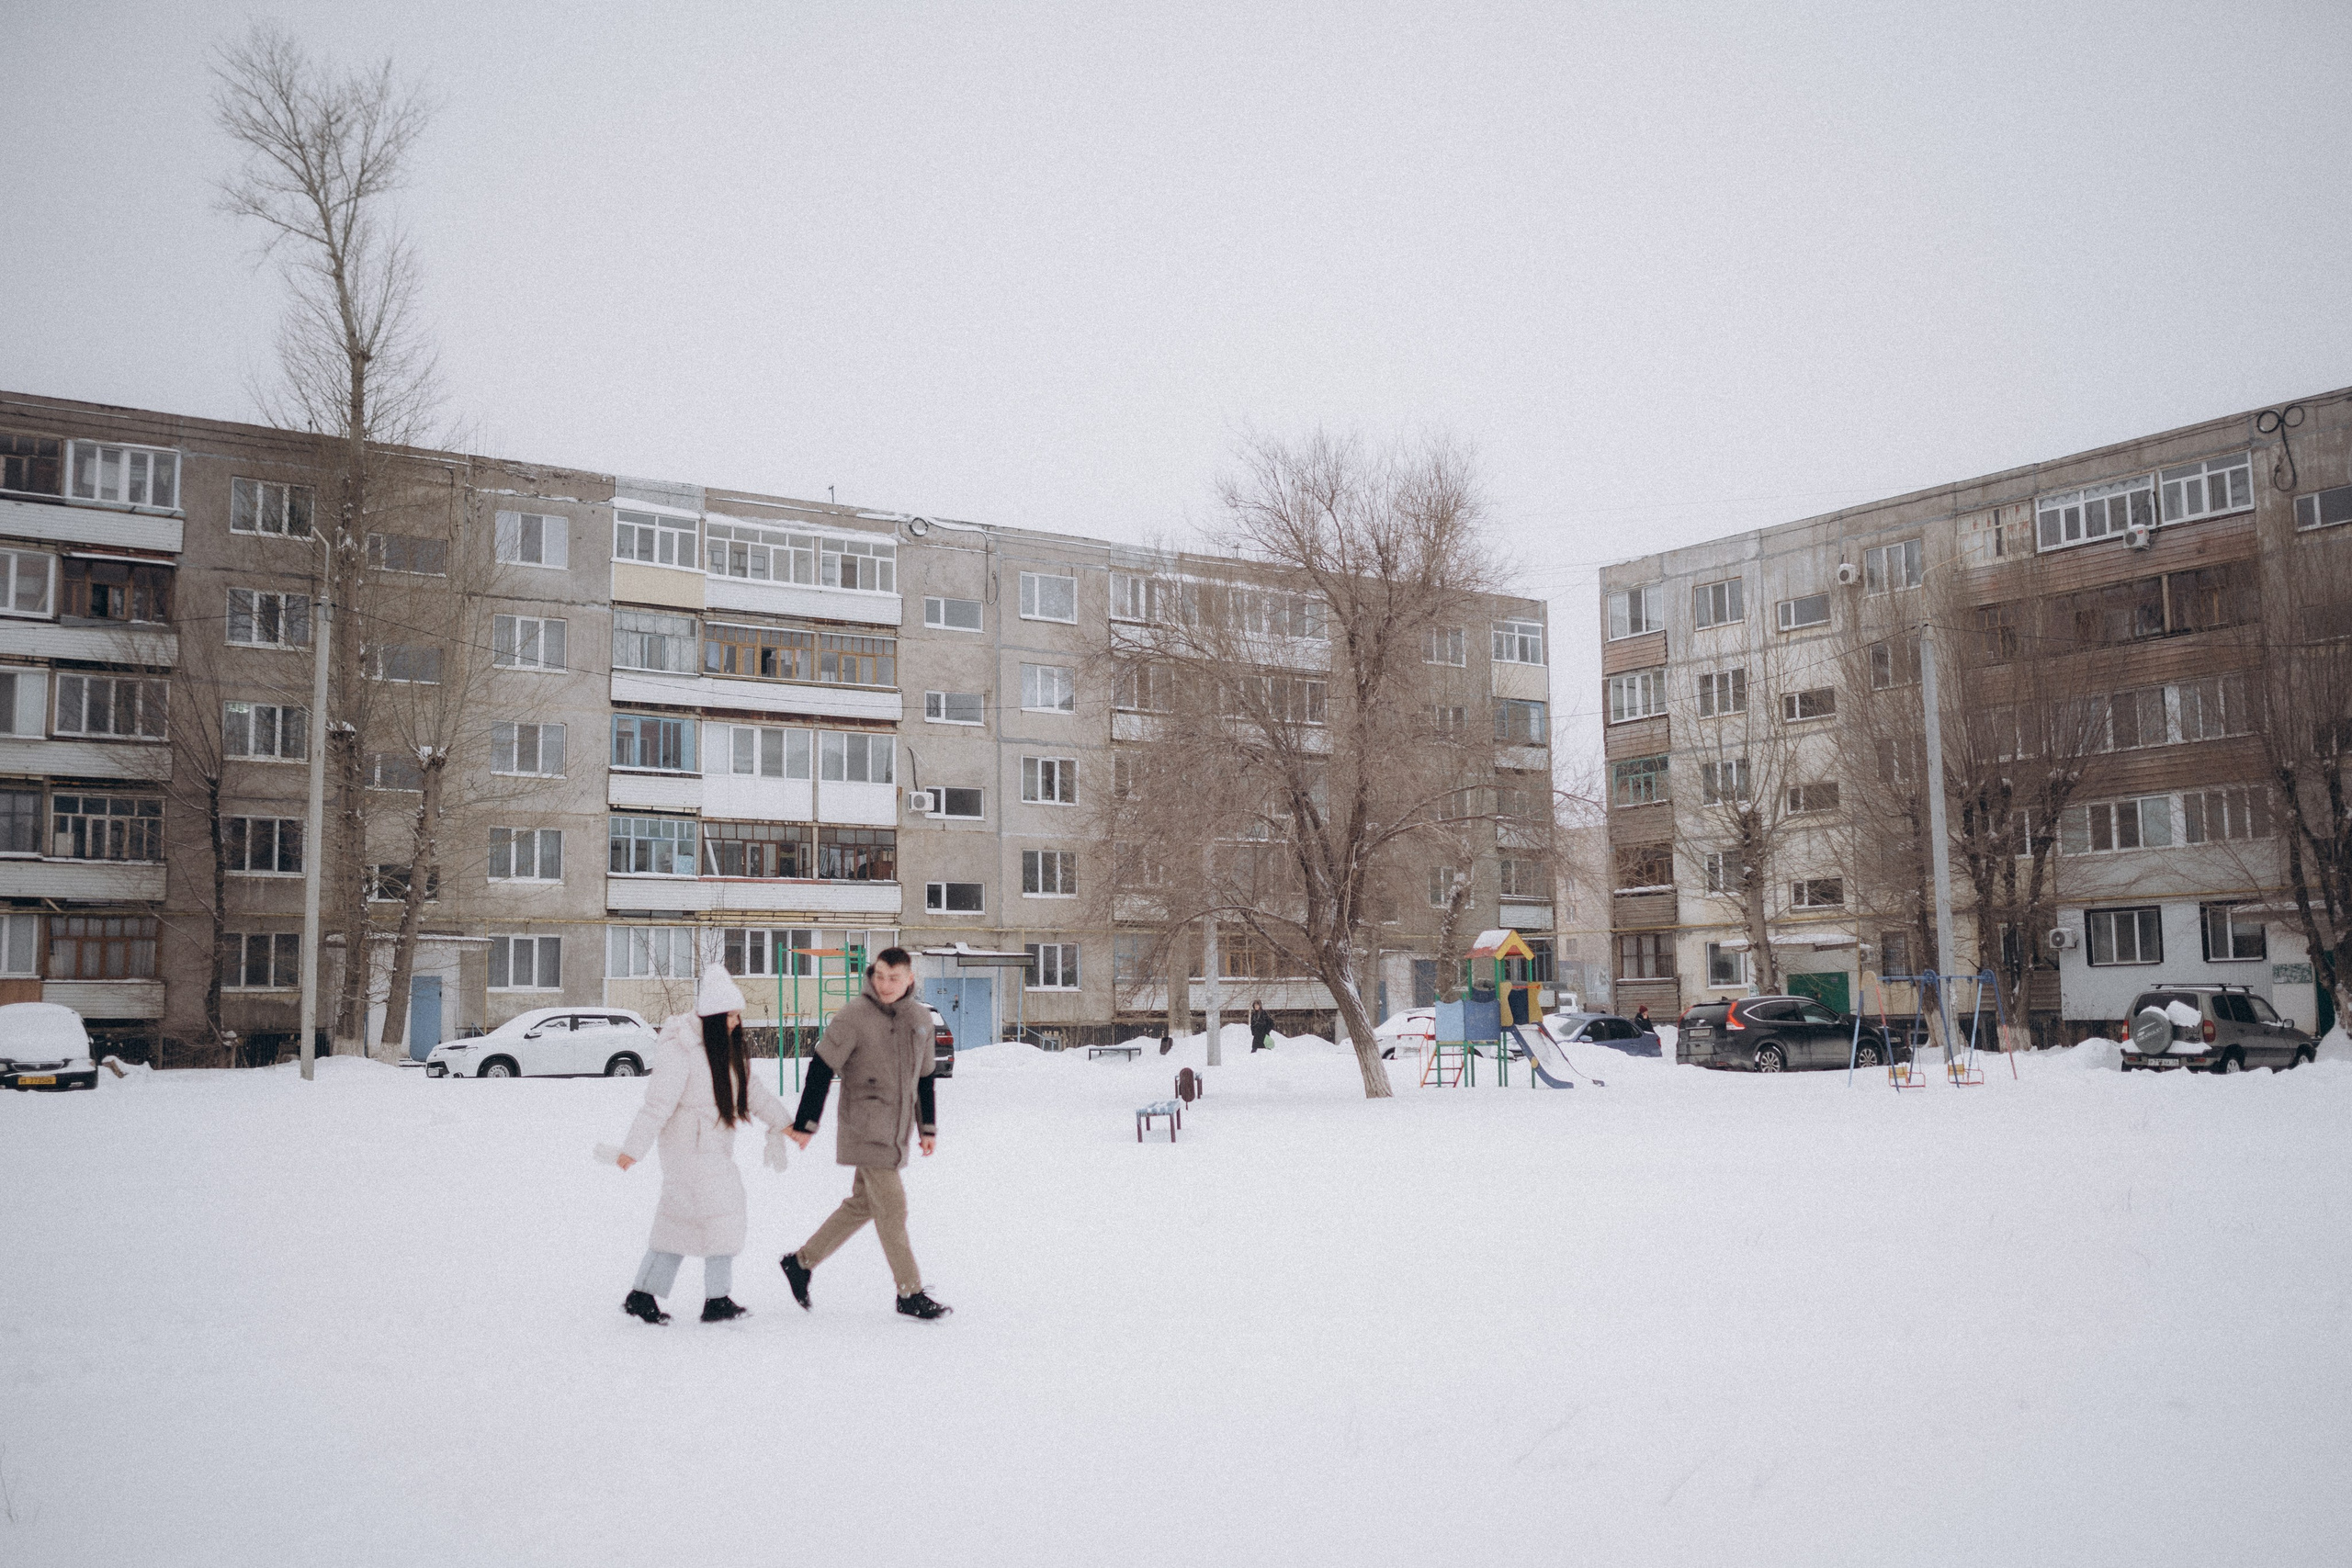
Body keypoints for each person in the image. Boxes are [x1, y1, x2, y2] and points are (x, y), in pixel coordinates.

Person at [778, 947, 952, 1321]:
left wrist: (927, 1127)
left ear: (909, 979)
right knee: (893, 1207)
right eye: (880, 976)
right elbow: (821, 1066)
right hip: (865, 1126)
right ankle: (910, 1292)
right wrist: (806, 1122)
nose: (885, 985)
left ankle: (801, 1262)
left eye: (894, 978)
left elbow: (925, 1078)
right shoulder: (855, 1015)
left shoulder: (920, 1019)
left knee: (863, 1204)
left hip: (895, 1130)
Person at [615, 964, 794, 1325]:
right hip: (687, 1150)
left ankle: (648, 1294)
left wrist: (783, 1121)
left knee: (689, 1221)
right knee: (715, 1215)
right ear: (712, 1017)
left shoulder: (727, 1048)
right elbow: (657, 1105)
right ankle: (713, 1300)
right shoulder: (681, 1048)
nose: (736, 1022)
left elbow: (753, 1092)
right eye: (730, 1015)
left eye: (738, 1015)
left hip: (713, 1148)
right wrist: (633, 1148)